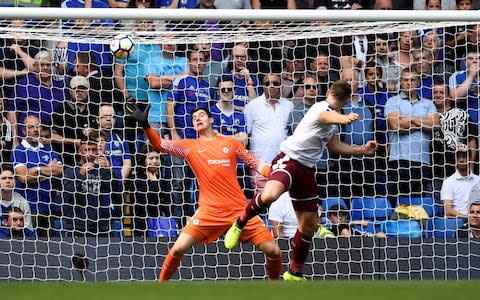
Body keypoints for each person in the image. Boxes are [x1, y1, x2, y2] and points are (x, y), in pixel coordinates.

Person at [224, 80, 377, 281]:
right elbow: (325, 116)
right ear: (331, 92)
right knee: (270, 194)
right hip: (289, 160)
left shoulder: (332, 122)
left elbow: (334, 146)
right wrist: (345, 118)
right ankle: (239, 223)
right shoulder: (321, 107)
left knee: (309, 225)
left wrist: (361, 151)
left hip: (307, 170)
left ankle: (294, 273)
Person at [126, 103, 282, 281]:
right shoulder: (189, 146)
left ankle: (273, 286)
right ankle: (160, 287)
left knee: (274, 251)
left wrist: (280, 174)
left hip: (239, 210)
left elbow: (256, 164)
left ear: (211, 119)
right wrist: (146, 125)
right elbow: (160, 144)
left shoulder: (231, 143)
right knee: (177, 248)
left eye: (201, 115)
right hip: (209, 211)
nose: (197, 118)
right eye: (193, 118)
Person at [56, 137, 122, 237]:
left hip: (100, 225)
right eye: (87, 150)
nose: (90, 153)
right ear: (80, 151)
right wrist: (81, 175)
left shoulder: (103, 170)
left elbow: (117, 192)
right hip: (76, 225)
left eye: (93, 150)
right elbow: (67, 195)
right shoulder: (71, 171)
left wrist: (110, 170)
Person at [11, 115, 64, 237]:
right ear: (24, 131)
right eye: (31, 127)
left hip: (48, 209)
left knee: (49, 247)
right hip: (28, 209)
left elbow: (59, 171)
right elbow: (24, 178)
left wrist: (35, 170)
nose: (36, 130)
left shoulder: (48, 149)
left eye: (38, 126)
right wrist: (47, 171)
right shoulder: (19, 151)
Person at [441, 144, 480, 218]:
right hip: (456, 222)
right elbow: (448, 211)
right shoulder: (448, 182)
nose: (461, 160)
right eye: (458, 157)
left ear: (470, 158)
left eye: (464, 156)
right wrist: (467, 217)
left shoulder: (478, 180)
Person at [0, 164, 32, 229]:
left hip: (17, 238)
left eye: (10, 178)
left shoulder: (22, 203)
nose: (7, 181)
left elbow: (28, 230)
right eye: (4, 178)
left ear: (15, 181)